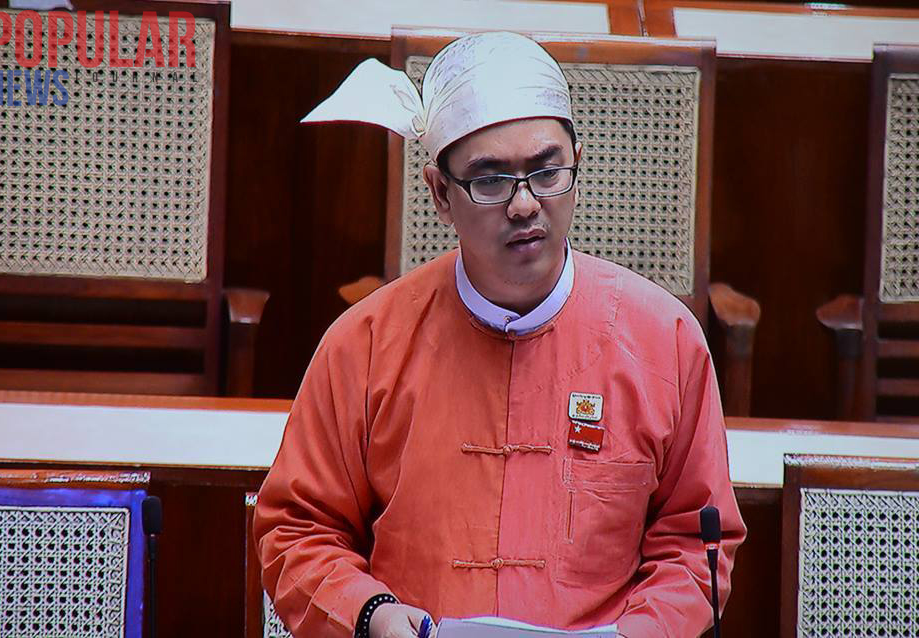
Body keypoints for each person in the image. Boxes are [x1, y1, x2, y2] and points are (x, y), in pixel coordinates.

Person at [254, 31, 746, 638]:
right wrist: (370, 614)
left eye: (547, 171)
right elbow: (297, 529)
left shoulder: (664, 341)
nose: (524, 205)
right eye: (490, 180)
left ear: (577, 164)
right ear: (440, 193)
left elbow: (696, 544)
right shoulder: (366, 344)